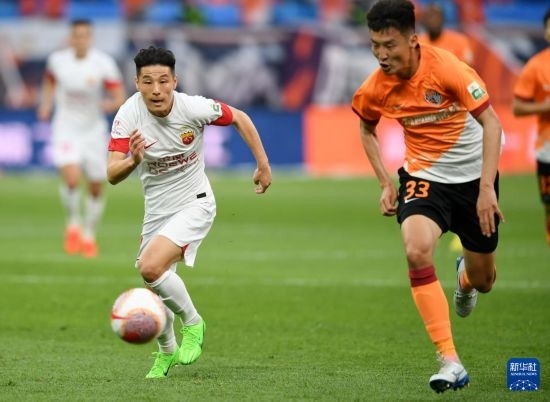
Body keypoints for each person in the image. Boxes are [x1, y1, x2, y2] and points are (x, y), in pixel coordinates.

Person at [351, 0, 504, 393]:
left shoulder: (449, 69)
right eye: (375, 45)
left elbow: (491, 122)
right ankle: (450, 361)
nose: (382, 55)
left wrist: (487, 189)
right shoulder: (375, 87)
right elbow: (366, 129)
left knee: (485, 280)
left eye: (389, 45)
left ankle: (465, 279)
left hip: (474, 181)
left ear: (413, 40)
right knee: (416, 250)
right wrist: (385, 182)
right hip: (424, 178)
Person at [107, 46, 272, 379]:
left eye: (163, 81)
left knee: (151, 266)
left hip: (195, 202)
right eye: (148, 81)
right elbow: (112, 173)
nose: (156, 89)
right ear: (136, 83)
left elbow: (239, 117)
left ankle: (194, 324)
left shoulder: (193, 108)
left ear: (174, 81)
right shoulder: (128, 115)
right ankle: (167, 351)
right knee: (153, 283)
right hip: (157, 210)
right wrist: (133, 161)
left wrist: (263, 164)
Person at [37, 19, 126, 258]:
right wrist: (46, 104)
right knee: (72, 177)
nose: (80, 40)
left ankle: (89, 234)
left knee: (96, 185)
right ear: (71, 38)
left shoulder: (103, 63)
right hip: (65, 127)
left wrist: (110, 105)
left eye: (85, 35)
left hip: (93, 131)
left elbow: (119, 96)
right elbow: (49, 82)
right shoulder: (58, 61)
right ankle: (73, 223)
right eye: (76, 35)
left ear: (91, 38)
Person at [418, 2, 474, 253]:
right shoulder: (417, 44)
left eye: (436, 16)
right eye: (428, 16)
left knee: (463, 173)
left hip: (458, 117)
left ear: (443, 19)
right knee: (430, 175)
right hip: (428, 121)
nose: (432, 20)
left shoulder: (459, 43)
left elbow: (467, 78)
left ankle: (464, 230)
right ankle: (432, 223)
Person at [512, 8, 550, 247]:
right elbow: (517, 108)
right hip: (548, 150)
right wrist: (545, 106)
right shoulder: (536, 66)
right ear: (545, 32)